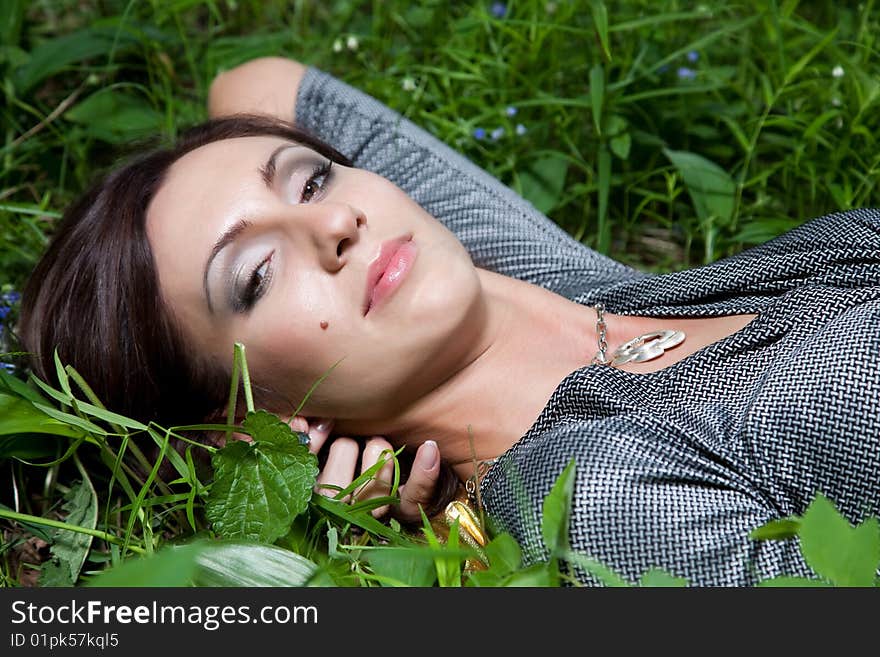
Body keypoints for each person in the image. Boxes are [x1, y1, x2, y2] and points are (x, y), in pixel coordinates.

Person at [19, 57, 880, 586]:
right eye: (256, 276)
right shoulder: (597, 489)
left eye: (312, 180)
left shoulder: (579, 287)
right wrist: (436, 522)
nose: (332, 225)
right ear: (249, 417)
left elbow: (257, 81)